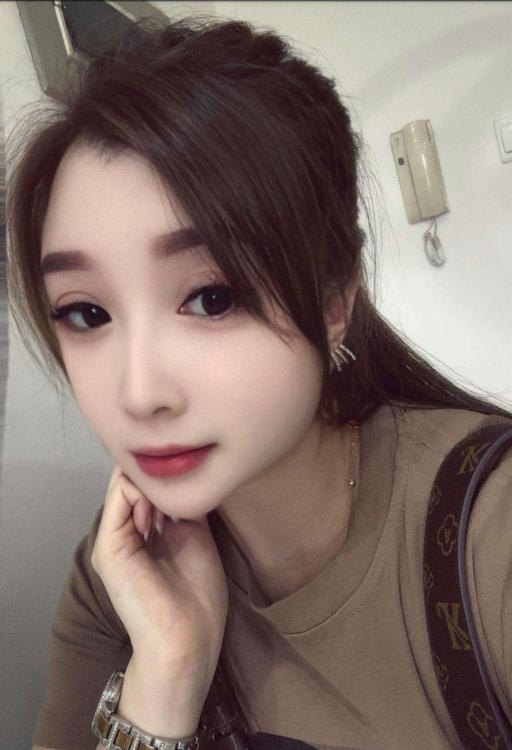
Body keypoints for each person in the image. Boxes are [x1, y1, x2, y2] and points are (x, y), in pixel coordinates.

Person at [6, 14, 512, 750]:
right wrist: (165, 682)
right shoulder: (118, 576)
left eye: (212, 298)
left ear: (334, 302)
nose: (140, 395)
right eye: (86, 313)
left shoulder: (489, 538)